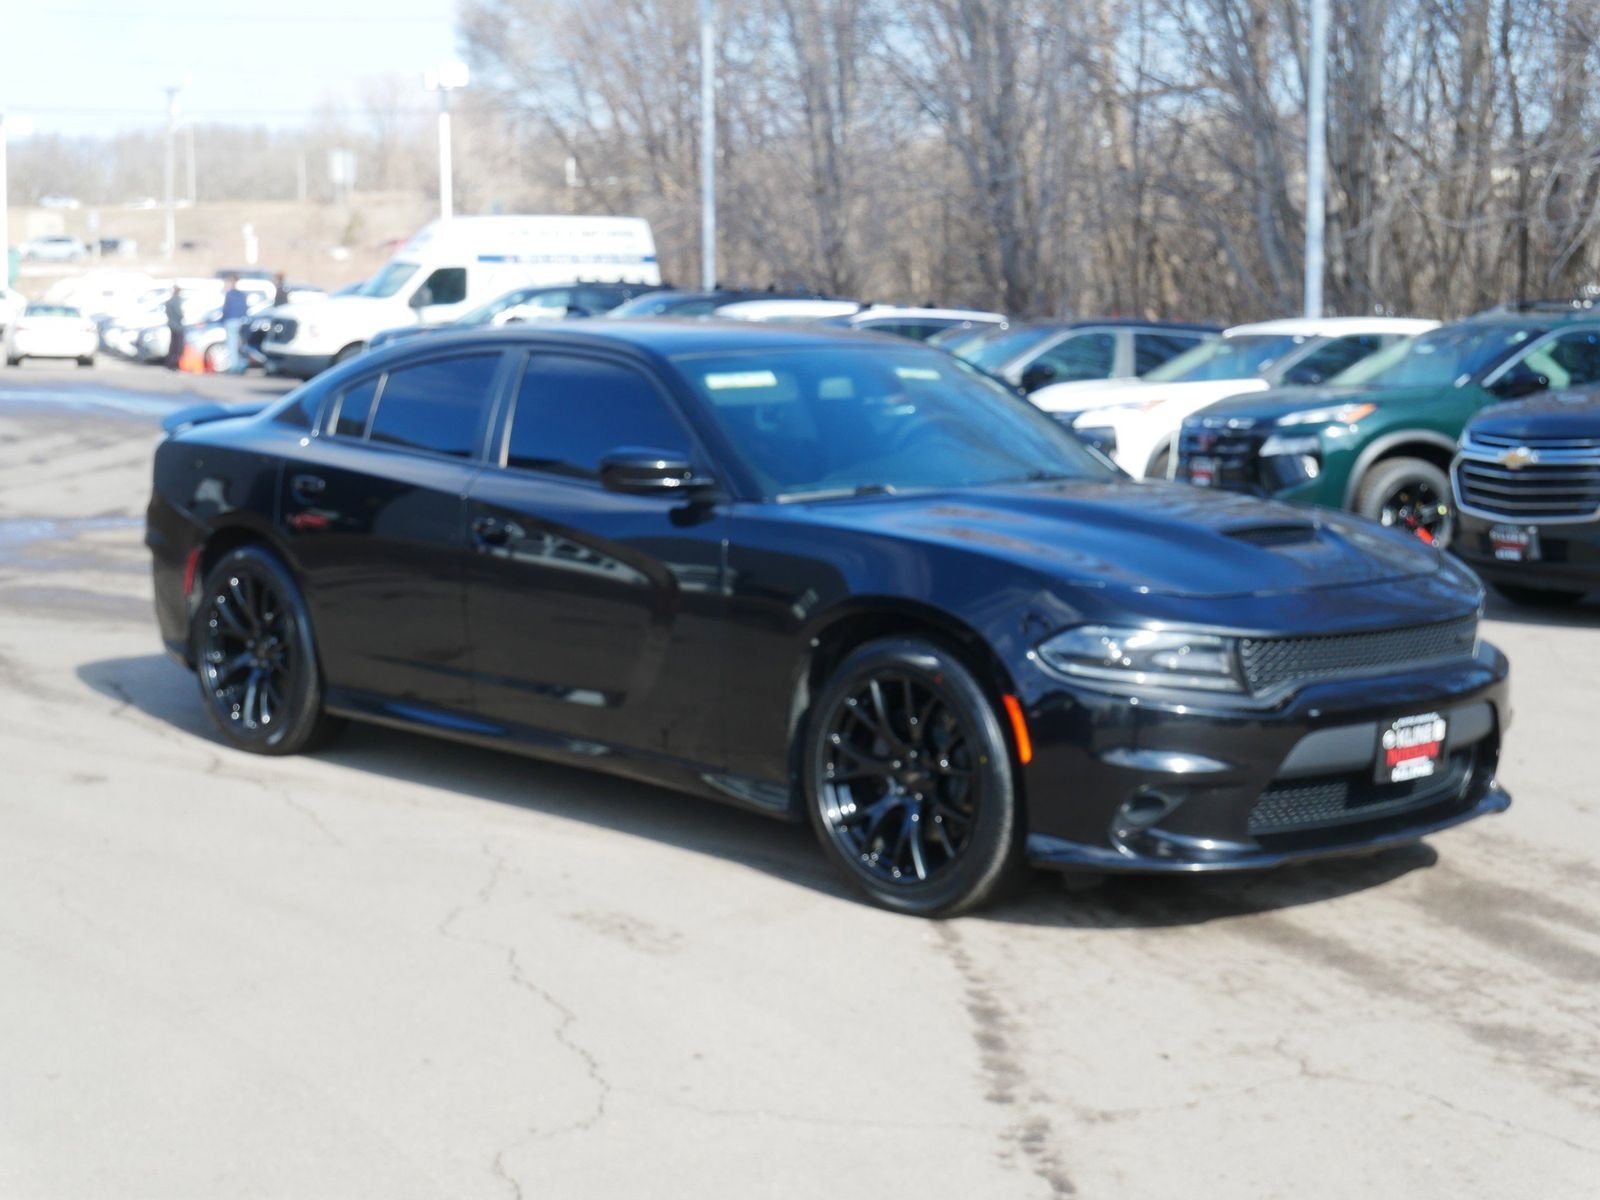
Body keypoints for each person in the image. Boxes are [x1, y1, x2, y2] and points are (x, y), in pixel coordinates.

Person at [220, 273, 250, 373]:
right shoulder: (242, 295)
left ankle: (234, 366)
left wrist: (222, 320)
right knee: (239, 345)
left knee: (231, 344)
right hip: (240, 321)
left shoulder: (229, 294)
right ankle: (241, 365)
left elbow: (226, 309)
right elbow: (245, 309)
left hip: (231, 321)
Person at [164, 285, 185, 370]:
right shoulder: (177, 301)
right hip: (177, 326)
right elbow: (179, 314)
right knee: (178, 346)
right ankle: (174, 363)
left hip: (171, 324)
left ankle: (170, 363)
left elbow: (167, 312)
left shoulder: (169, 301)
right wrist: (182, 316)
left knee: (172, 345)